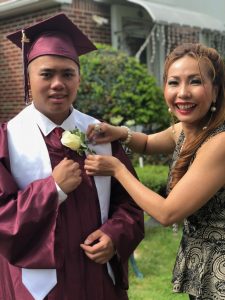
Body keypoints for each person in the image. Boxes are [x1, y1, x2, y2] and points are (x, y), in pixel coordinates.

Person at [0, 13, 144, 300]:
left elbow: (129, 202)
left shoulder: (99, 134)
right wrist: (52, 189)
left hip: (98, 281)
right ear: (29, 79)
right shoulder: (8, 138)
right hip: (38, 289)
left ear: (79, 78)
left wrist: (115, 236)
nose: (58, 84)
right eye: (46, 74)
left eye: (67, 74)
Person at [84, 43, 225, 300]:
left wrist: (117, 169)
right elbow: (148, 143)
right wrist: (120, 133)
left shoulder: (219, 143)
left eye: (195, 81)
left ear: (215, 91)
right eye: (174, 82)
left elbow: (166, 213)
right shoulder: (187, 129)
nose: (182, 93)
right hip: (204, 258)